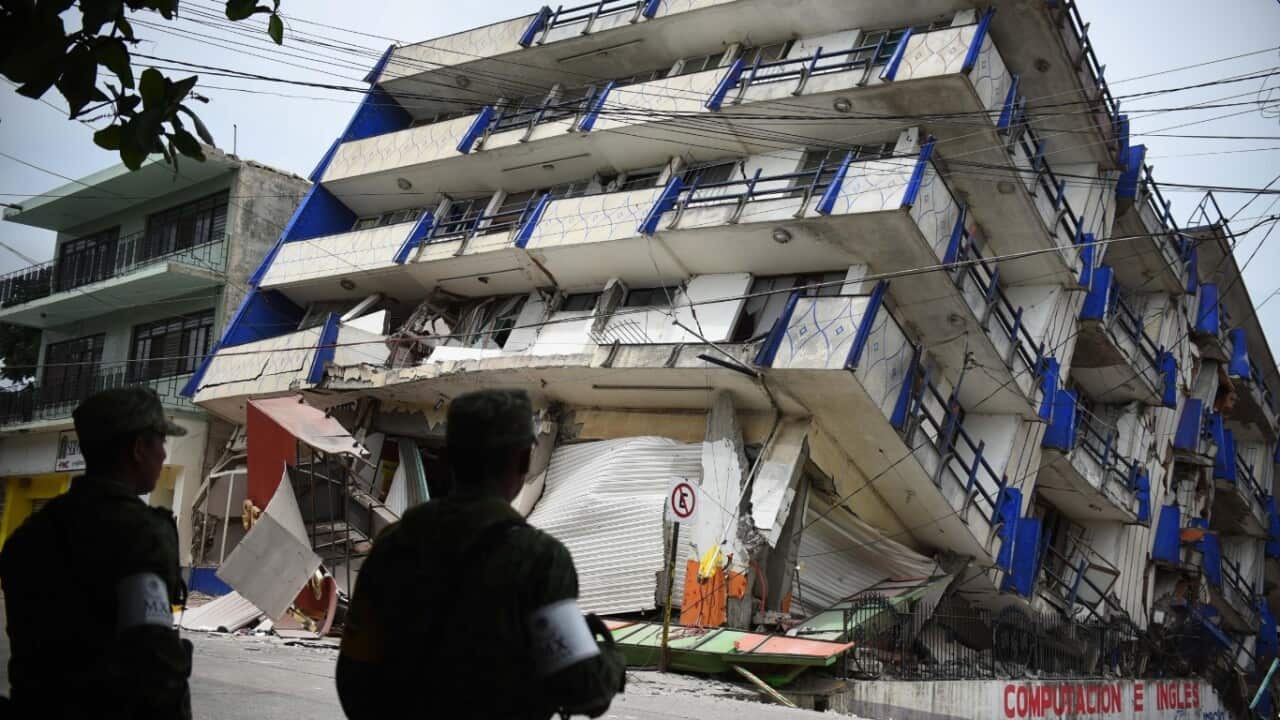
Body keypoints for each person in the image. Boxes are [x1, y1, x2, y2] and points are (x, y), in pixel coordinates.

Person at [337, 389, 626, 719]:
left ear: (448, 458)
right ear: (522, 459)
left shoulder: (392, 546)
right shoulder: (539, 560)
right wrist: (611, 662)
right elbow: (583, 690)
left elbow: (353, 677)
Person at [0, 387, 192, 719]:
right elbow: (154, 659)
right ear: (137, 448)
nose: (163, 454)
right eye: (160, 441)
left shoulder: (29, 536)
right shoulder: (140, 534)